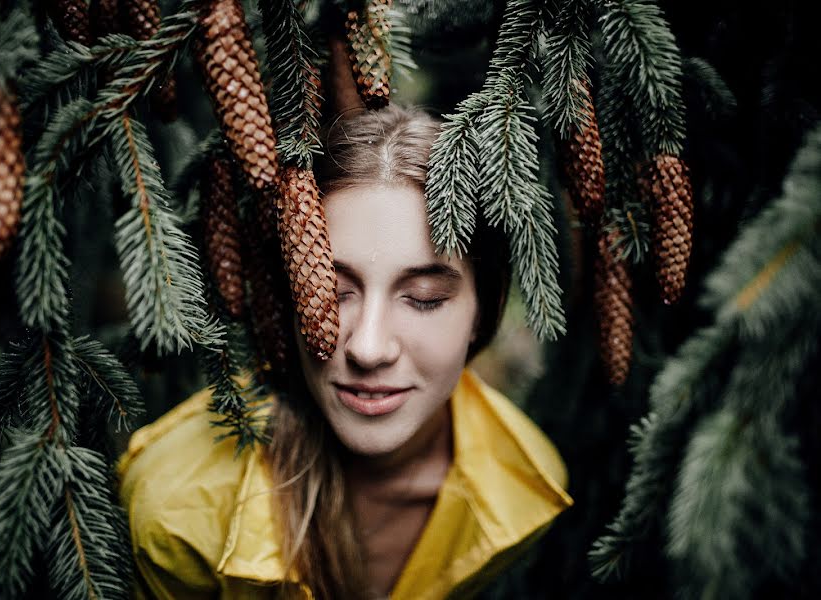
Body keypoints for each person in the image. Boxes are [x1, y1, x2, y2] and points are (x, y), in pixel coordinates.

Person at [117, 105, 573, 600]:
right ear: (286, 301)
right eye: (328, 292)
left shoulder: (524, 485)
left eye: (423, 299)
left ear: (482, 314)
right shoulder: (176, 509)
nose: (368, 348)